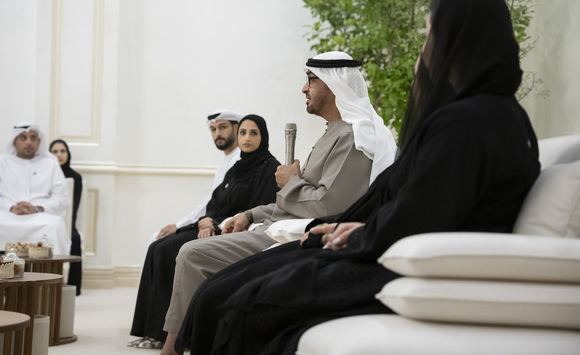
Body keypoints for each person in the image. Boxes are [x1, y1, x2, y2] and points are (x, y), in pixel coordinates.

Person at [176, 0, 542, 355]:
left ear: (459, 43)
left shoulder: (467, 123)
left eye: (430, 39)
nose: (423, 57)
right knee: (219, 290)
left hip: (397, 262)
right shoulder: (497, 116)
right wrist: (345, 225)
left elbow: (423, 213)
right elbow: (414, 199)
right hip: (381, 242)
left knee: (237, 302)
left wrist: (351, 233)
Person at [158, 51, 397, 355]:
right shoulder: (333, 133)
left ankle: (173, 349)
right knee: (188, 253)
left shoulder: (354, 136)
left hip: (297, 236)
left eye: (311, 80)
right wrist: (249, 213)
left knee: (191, 254)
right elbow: (298, 201)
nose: (304, 89)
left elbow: (328, 207)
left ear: (335, 85)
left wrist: (290, 182)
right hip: (277, 224)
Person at [128, 114, 280, 349]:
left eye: (253, 133)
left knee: (169, 250)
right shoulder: (236, 168)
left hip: (231, 230)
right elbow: (215, 202)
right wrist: (205, 221)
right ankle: (152, 331)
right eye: (243, 133)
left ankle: (171, 334)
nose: (247, 138)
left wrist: (216, 225)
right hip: (212, 225)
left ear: (264, 136)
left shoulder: (270, 168)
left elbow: (257, 211)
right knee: (158, 245)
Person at [0, 123, 70, 254]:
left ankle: (51, 273)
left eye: (33, 138)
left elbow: (61, 197)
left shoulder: (51, 164)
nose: (28, 142)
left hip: (40, 217)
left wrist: (36, 208)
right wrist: (10, 207)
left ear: (39, 142)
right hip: (4, 214)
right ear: (14, 141)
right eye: (23, 138)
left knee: (54, 226)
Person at [152, 110, 243, 242]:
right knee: (157, 239)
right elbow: (212, 201)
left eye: (222, 127)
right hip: (210, 221)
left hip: (221, 225)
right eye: (213, 129)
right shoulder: (225, 163)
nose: (217, 134)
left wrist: (179, 225)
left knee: (159, 241)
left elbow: (214, 203)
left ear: (236, 128)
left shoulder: (238, 160)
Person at [50, 139, 83, 295]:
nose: (59, 155)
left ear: (68, 154)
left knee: (75, 238)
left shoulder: (75, 177)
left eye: (62, 151)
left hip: (67, 220)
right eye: (55, 151)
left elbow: (73, 207)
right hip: (47, 218)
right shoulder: (46, 174)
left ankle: (74, 286)